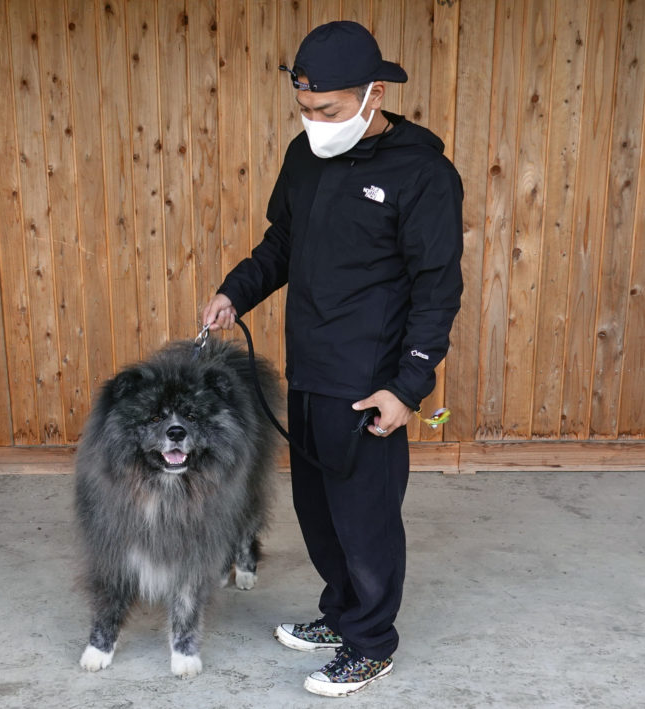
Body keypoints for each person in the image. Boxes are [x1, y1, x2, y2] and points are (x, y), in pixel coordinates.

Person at [201, 21, 463, 697]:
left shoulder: (424, 174)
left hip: (370, 383)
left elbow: (438, 290)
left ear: (374, 93)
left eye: (330, 110)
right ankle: (340, 615)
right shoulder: (304, 156)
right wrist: (235, 292)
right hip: (310, 366)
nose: (315, 122)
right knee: (318, 512)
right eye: (305, 110)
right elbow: (280, 245)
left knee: (365, 519)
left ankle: (372, 643)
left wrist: (408, 387)